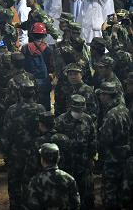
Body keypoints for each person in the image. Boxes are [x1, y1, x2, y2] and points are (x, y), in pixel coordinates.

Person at [1, 78, 46, 210]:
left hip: (16, 154)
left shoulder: (12, 110)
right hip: (35, 154)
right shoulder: (40, 108)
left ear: (19, 93)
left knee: (15, 184)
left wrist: (6, 154)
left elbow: (6, 135)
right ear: (34, 93)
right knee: (33, 183)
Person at [55, 95, 97, 209]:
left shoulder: (87, 119)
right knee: (68, 195)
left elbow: (93, 139)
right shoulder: (60, 121)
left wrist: (91, 157)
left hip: (84, 164)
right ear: (70, 107)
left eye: (81, 109)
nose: (79, 112)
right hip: (66, 165)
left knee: (87, 195)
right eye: (76, 109)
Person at [97, 81, 132, 210]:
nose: (100, 97)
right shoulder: (124, 108)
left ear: (108, 95)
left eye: (102, 94)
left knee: (109, 192)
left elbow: (105, 139)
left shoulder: (111, 115)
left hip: (112, 158)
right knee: (121, 188)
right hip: (124, 155)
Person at [26, 143, 80, 210]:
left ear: (42, 159)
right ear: (58, 158)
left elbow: (32, 205)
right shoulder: (69, 179)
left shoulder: (35, 181)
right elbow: (76, 204)